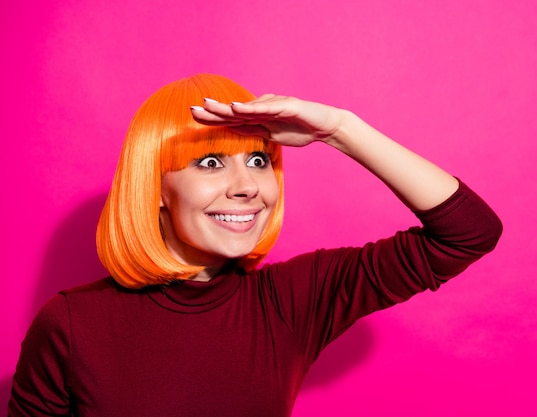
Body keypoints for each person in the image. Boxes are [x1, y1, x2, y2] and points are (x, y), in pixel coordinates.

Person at [8, 73, 502, 417]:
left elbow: (468, 232)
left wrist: (340, 130)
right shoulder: (71, 324)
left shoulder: (290, 301)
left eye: (260, 160)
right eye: (210, 163)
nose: (248, 186)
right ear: (154, 185)